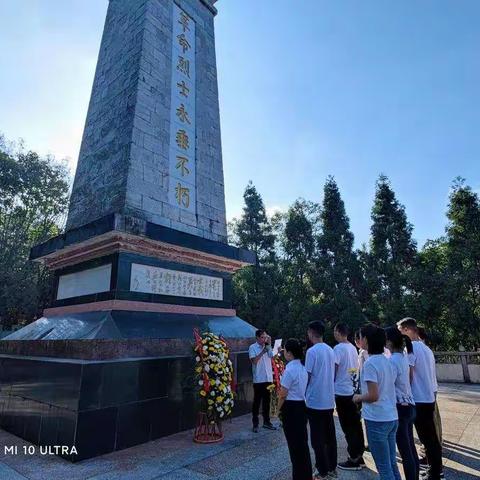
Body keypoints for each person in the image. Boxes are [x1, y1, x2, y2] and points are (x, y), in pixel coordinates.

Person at [397, 318, 443, 480]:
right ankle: (436, 469)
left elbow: (408, 376)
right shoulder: (426, 349)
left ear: (408, 330)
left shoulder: (410, 349)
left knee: (427, 439)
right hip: (428, 397)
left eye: (401, 331)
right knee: (430, 438)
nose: (400, 335)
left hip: (418, 399)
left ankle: (435, 473)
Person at [353, 324, 401, 480]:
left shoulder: (371, 364)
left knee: (384, 468)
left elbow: (373, 395)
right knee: (391, 464)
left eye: (360, 336)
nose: (359, 340)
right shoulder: (387, 361)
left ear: (366, 339)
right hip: (391, 416)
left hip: (377, 419)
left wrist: (358, 397)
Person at [385, 327, 419, 480]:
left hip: (401, 408)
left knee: (405, 450)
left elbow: (388, 385)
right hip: (410, 405)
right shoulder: (403, 357)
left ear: (389, 341)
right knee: (410, 448)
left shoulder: (392, 361)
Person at [305, 320, 337, 480]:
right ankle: (332, 467)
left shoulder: (312, 352)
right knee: (330, 436)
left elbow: (307, 376)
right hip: (329, 399)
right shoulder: (330, 350)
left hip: (315, 400)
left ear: (311, 333)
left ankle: (322, 469)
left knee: (317, 438)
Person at [277, 338, 313, 480]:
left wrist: (276, 410)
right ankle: (305, 474)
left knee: (294, 446)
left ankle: (299, 476)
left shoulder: (290, 369)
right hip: (301, 406)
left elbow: (283, 394)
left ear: (289, 353)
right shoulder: (302, 368)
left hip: (291, 408)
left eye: (285, 350)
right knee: (302, 444)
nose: (284, 352)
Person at [333, 323, 366, 471]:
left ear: (338, 332)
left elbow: (334, 369)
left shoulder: (338, 348)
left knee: (348, 426)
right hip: (353, 390)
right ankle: (359, 455)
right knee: (356, 425)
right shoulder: (353, 347)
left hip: (342, 392)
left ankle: (353, 458)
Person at [248, 329, 276, 433]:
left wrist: (273, 347)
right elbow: (254, 361)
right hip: (259, 379)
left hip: (268, 378)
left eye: (265, 337)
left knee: (267, 402)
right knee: (257, 402)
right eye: (262, 337)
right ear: (257, 338)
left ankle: (267, 422)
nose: (264, 339)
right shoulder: (252, 347)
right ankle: (255, 424)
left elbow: (272, 356)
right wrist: (262, 351)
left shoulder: (267, 346)